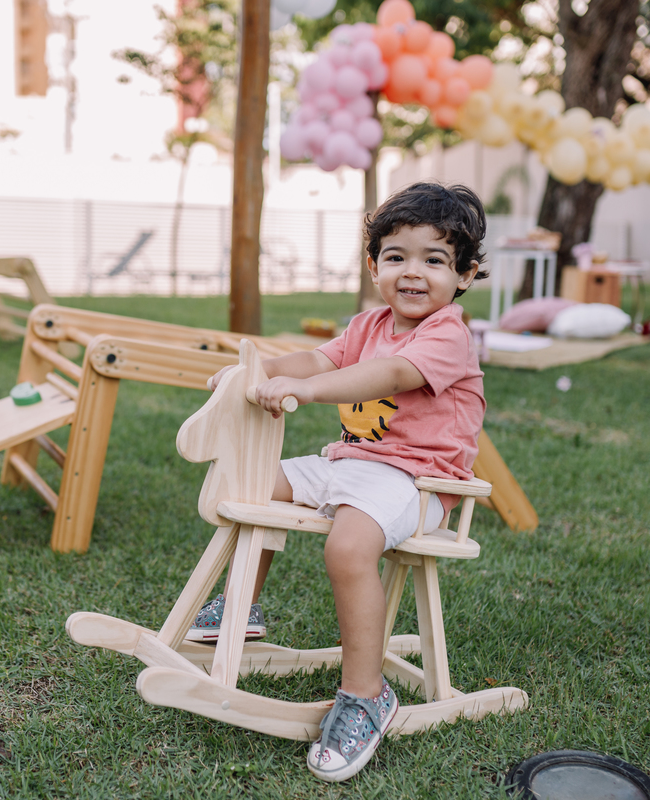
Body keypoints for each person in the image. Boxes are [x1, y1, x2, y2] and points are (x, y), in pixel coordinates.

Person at [190, 181, 489, 783]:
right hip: (352, 463)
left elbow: (390, 374)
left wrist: (307, 391)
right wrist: (256, 370)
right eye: (396, 256)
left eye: (434, 260)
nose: (413, 272)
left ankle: (365, 695)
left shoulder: (447, 334)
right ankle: (240, 609)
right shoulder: (368, 323)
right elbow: (316, 360)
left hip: (418, 482)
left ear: (464, 275)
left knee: (348, 548)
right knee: (248, 485)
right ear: (374, 266)